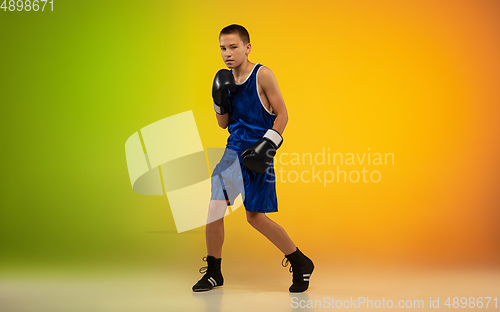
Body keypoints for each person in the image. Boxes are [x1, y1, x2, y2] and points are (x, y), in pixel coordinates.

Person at [192, 24, 314, 293]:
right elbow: (223, 124)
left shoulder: (263, 75)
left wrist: (267, 147)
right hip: (232, 151)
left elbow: (283, 114)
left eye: (233, 47)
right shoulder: (224, 79)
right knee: (214, 209)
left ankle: (300, 261)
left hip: (259, 152)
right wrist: (218, 99)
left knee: (255, 217)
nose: (227, 53)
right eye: (223, 48)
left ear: (247, 47)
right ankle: (214, 272)